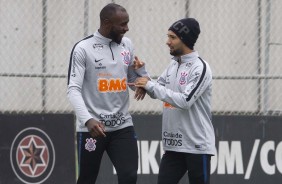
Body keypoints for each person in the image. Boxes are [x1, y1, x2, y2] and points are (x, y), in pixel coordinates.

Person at [67, 3, 149, 184]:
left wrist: (142, 78)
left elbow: (132, 82)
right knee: (87, 179)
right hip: (93, 129)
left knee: (129, 177)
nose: (127, 28)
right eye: (122, 24)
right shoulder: (83, 48)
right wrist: (88, 120)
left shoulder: (127, 45)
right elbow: (73, 89)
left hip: (122, 126)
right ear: (106, 23)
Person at [134, 18, 215, 184]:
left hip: (197, 146)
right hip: (173, 146)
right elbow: (157, 90)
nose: (167, 42)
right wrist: (143, 75)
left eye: (172, 37)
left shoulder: (200, 68)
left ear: (184, 39)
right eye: (168, 36)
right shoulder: (173, 65)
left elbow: (185, 100)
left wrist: (149, 85)